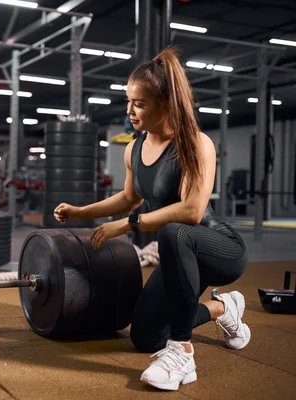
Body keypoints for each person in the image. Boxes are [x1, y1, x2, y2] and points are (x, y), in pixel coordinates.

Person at [53, 47, 249, 391]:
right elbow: (130, 197)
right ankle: (223, 308)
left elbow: (192, 211)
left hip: (218, 249)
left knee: (175, 231)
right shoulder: (134, 147)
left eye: (139, 104)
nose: (129, 111)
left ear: (166, 104)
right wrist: (80, 211)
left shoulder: (197, 145)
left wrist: (127, 224)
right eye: (128, 101)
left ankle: (182, 352)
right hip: (178, 254)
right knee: (144, 336)